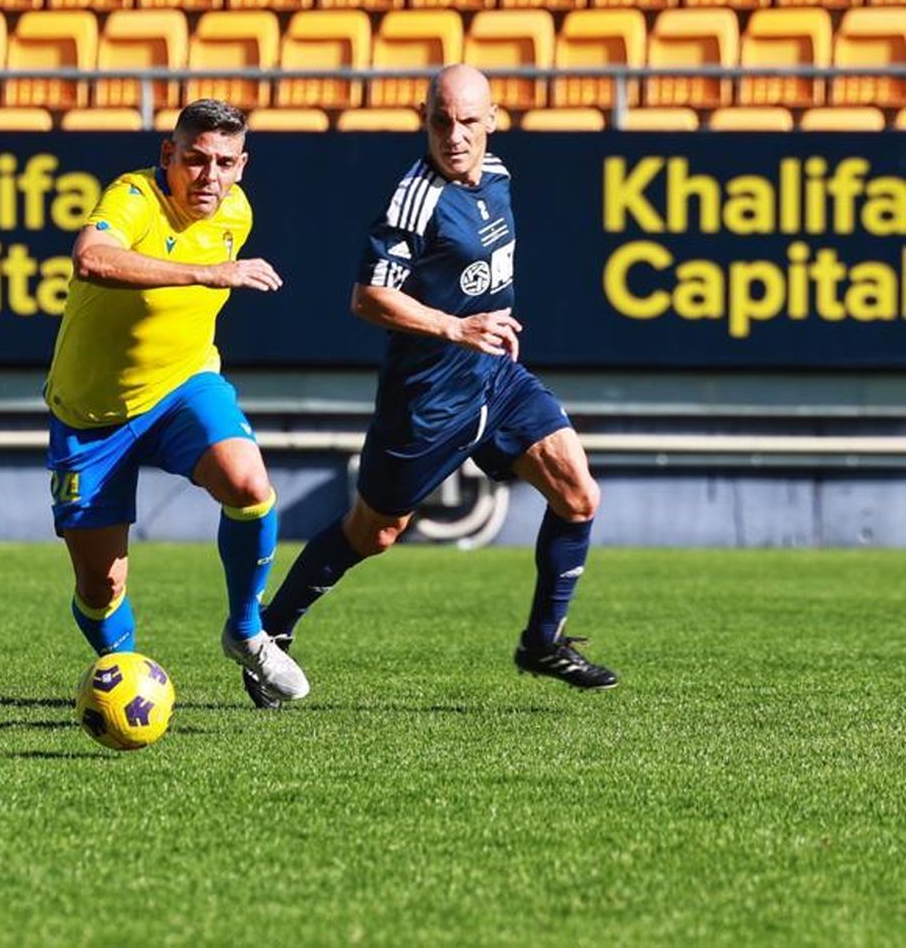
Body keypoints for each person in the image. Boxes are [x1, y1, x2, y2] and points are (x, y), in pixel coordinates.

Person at [241, 64, 617, 708]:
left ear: (493, 121)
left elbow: (483, 273)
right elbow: (368, 297)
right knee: (374, 532)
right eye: (441, 121)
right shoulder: (413, 200)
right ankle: (269, 632)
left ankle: (543, 641)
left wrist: (489, 328)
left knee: (579, 495)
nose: (454, 135)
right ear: (425, 119)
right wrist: (456, 327)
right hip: (425, 403)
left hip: (496, 380)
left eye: (469, 121)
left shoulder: (498, 178)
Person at [45, 99, 309, 703]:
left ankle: (247, 633)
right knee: (101, 588)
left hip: (183, 387)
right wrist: (206, 274)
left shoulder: (236, 214)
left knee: (249, 485)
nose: (208, 176)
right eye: (194, 159)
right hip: (92, 415)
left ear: (242, 165)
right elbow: (90, 257)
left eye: (223, 162)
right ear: (169, 156)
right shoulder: (135, 196)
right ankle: (126, 674)